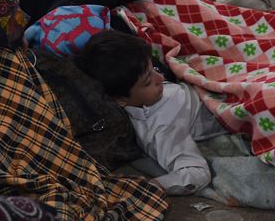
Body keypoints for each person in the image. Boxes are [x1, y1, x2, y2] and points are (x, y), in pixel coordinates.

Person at [76, 30, 226, 195]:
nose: (161, 77)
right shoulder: (162, 127)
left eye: (154, 68)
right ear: (119, 99)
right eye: (148, 81)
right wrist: (150, 186)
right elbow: (196, 173)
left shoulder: (140, 86)